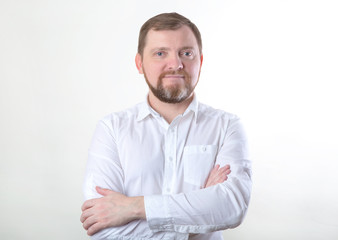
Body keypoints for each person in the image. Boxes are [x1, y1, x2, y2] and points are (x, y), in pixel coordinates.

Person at [80, 12, 252, 240]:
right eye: (160, 53)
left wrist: (134, 207)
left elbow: (232, 206)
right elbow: (103, 229)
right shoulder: (111, 129)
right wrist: (198, 218)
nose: (176, 64)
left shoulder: (227, 127)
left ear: (200, 62)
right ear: (139, 63)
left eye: (186, 53)